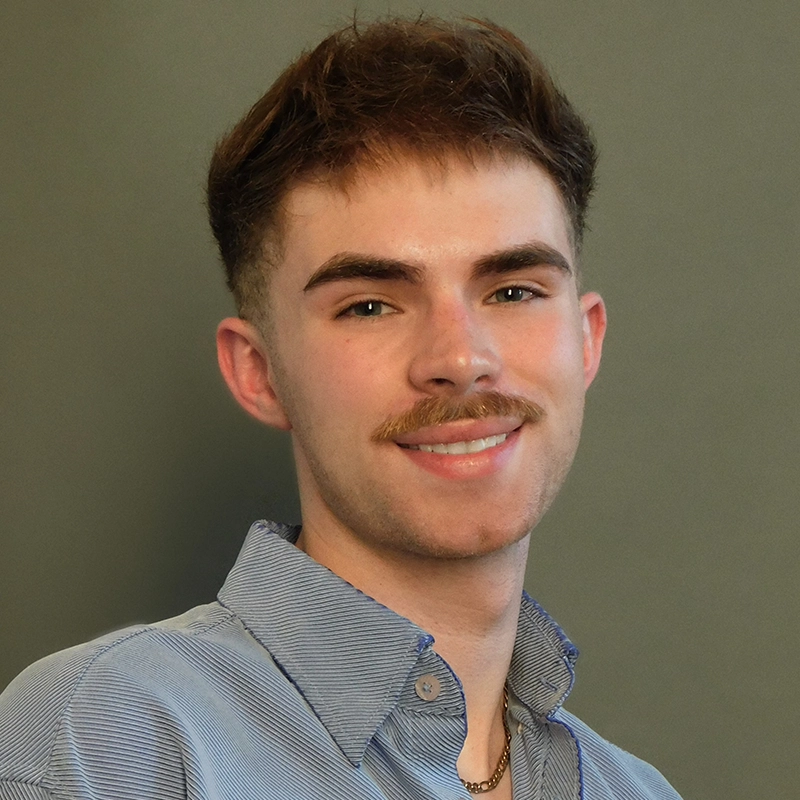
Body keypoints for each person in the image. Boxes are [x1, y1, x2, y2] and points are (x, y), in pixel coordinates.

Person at [0, 16, 682, 800]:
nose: (460, 360)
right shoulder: (104, 742)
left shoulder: (635, 790)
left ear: (585, 340)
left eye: (513, 291)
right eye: (369, 306)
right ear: (258, 373)